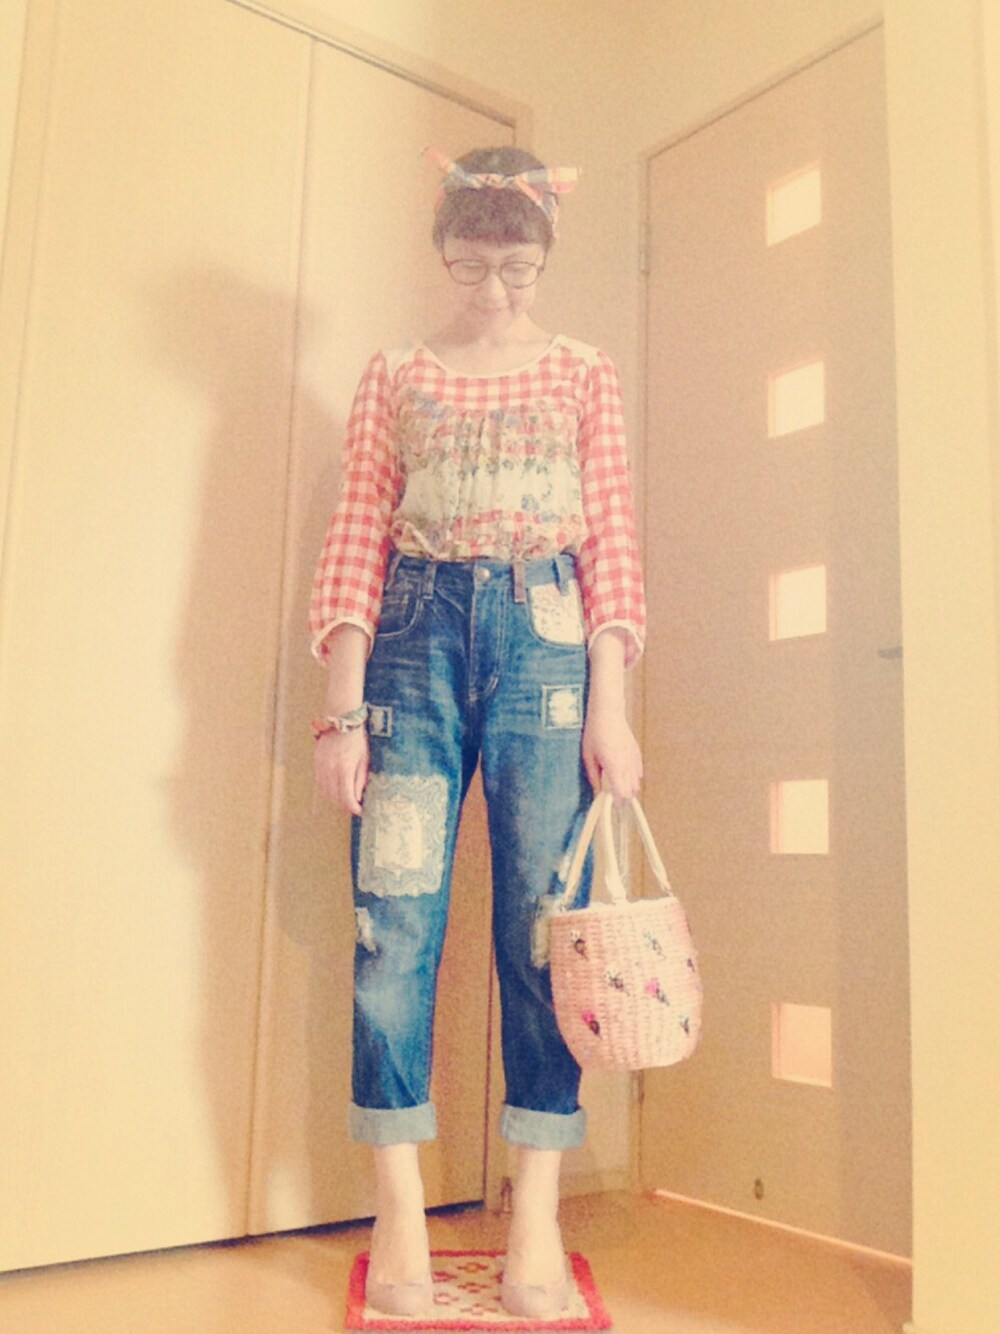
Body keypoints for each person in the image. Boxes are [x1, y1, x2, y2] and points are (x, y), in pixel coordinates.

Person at [310, 145, 646, 1319]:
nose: (493, 287)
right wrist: (342, 709)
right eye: (469, 262)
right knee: (392, 922)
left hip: (547, 641)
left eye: (515, 266)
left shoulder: (583, 371)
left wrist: (611, 700)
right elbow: (358, 526)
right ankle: (399, 1203)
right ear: (441, 252)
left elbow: (610, 536)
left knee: (544, 932)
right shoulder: (396, 373)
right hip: (409, 642)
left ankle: (537, 1212)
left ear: (544, 255)